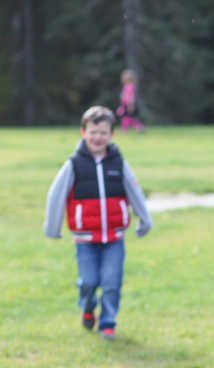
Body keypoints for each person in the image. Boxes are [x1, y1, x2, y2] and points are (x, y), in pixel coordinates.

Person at [44, 105, 153, 340]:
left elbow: (134, 191)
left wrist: (144, 219)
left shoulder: (118, 163)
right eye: (93, 131)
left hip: (114, 238)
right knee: (89, 282)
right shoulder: (74, 164)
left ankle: (108, 324)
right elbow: (56, 194)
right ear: (83, 132)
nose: (97, 137)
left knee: (112, 282)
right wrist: (52, 228)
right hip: (86, 240)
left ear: (112, 134)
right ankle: (87, 307)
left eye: (103, 132)